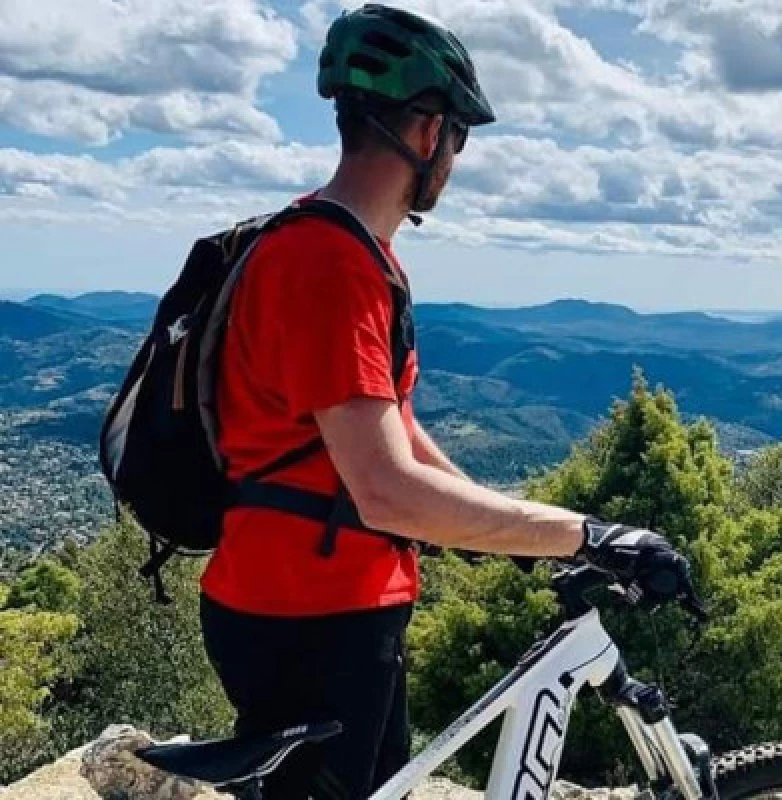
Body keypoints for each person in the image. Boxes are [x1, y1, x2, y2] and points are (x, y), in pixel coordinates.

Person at [195, 5, 692, 799]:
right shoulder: (331, 264)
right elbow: (385, 488)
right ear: (429, 133)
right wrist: (588, 535)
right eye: (459, 137)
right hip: (314, 613)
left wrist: (500, 521)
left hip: (305, 602)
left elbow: (390, 430)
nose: (454, 158)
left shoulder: (340, 246)